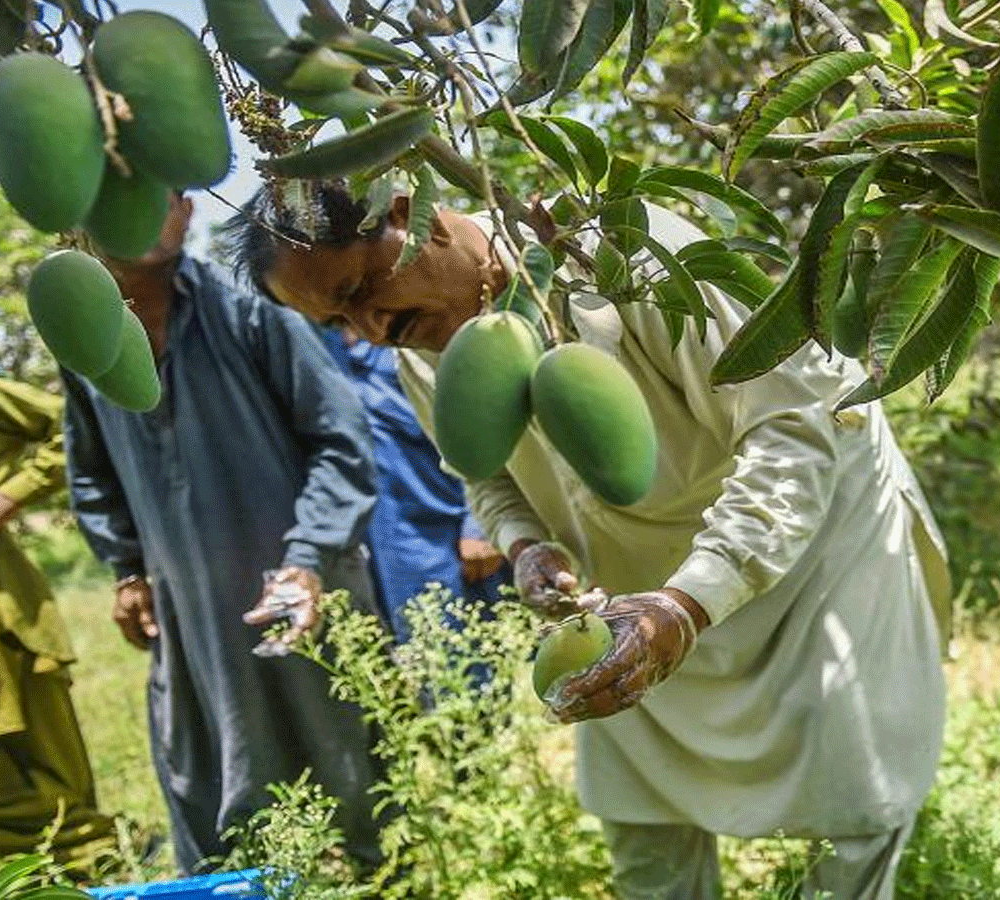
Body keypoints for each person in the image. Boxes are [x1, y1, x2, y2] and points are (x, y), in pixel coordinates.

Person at [229, 181, 952, 900]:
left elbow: (793, 428)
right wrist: (524, 546)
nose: (370, 330)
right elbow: (483, 475)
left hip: (812, 547)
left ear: (405, 215)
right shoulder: (422, 344)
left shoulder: (618, 256)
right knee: (643, 820)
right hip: (635, 598)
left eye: (360, 288)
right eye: (339, 321)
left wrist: (689, 603)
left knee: (850, 804)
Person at [62, 192, 384, 875]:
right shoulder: (83, 339)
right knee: (209, 780)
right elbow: (90, 470)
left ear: (184, 209)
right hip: (189, 611)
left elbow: (342, 444)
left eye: (164, 192)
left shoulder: (253, 311)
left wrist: (309, 559)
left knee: (349, 778)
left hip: (300, 587)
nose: (150, 209)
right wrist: (124, 569)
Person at [0, 329, 119, 874]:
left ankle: (90, 855)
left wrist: (11, 493)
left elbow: (72, 419)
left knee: (39, 730)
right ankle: (69, 851)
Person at [316, 325, 512, 645]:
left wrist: (482, 527)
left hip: (457, 527)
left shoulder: (407, 329)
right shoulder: (322, 343)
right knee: (431, 658)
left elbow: (479, 424)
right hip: (392, 545)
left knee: (493, 650)